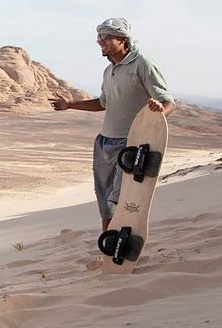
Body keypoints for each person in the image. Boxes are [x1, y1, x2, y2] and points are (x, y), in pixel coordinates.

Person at [48, 18, 174, 232]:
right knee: (105, 198)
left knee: (120, 198)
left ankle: (123, 240)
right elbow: (102, 103)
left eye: (106, 36)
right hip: (104, 142)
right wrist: (70, 105)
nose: (100, 41)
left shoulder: (142, 63)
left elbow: (167, 101)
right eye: (99, 37)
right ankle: (108, 243)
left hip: (131, 142)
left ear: (122, 39)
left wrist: (160, 112)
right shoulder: (109, 70)